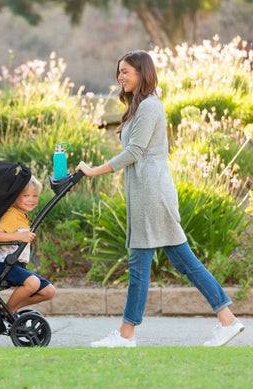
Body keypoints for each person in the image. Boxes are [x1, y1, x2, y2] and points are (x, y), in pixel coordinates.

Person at [76, 50, 245, 347]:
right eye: (119, 71)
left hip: (151, 195)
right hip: (148, 193)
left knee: (141, 265)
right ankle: (227, 320)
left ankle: (127, 335)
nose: (121, 76)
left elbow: (134, 152)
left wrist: (93, 172)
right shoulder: (140, 106)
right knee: (183, 262)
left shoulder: (150, 106)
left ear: (143, 73)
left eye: (126, 71)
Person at [0, 175, 55, 314]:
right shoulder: (11, 214)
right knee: (33, 283)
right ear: (15, 197)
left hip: (16, 266)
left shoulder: (21, 215)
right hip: (3, 265)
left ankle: (10, 308)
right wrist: (20, 236)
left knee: (48, 291)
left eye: (35, 196)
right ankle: (7, 310)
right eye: (26, 195)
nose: (31, 199)